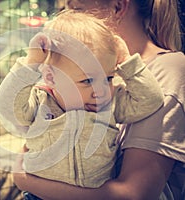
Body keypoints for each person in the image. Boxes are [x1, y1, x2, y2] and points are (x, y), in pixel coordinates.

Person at [12, 0, 185, 199]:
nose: (67, 17)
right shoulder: (78, 66)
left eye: (76, 9)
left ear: (118, 7)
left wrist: (23, 179)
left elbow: (133, 194)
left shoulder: (168, 69)